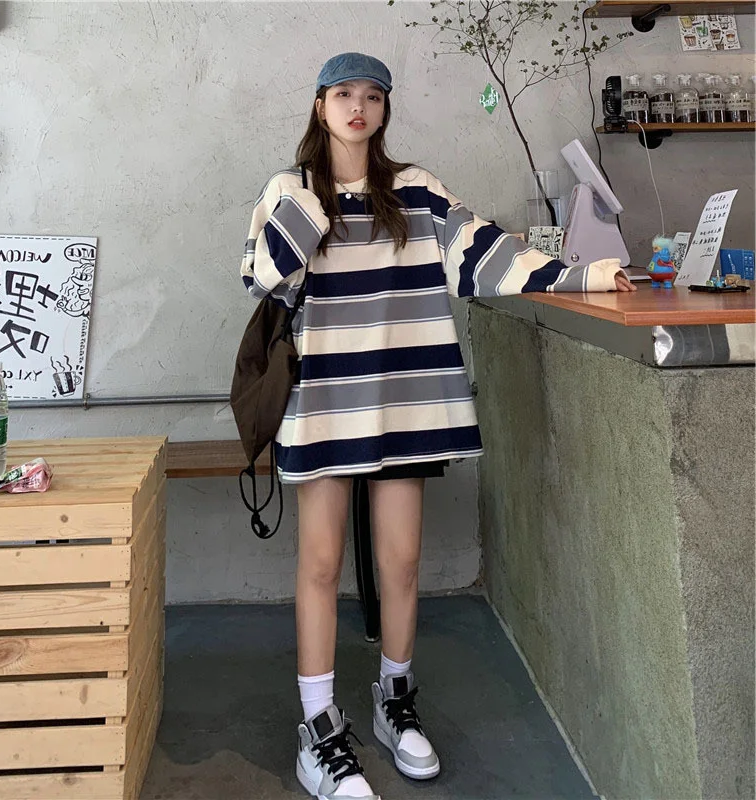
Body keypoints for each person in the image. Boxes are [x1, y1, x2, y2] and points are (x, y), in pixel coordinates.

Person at [241, 52, 635, 800]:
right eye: (343, 94)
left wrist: (584, 274)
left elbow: (488, 255)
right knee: (320, 565)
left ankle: (394, 702)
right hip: (325, 401)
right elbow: (263, 276)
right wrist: (315, 203)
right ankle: (318, 726)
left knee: (401, 564)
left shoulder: (416, 190)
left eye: (372, 95)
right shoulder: (289, 190)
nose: (358, 107)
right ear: (320, 105)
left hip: (405, 398)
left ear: (385, 109)